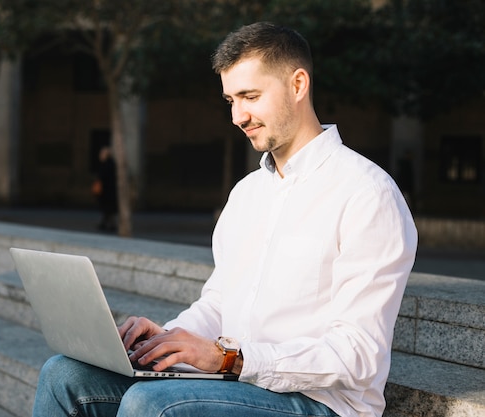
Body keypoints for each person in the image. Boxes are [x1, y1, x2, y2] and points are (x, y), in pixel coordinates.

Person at [32, 22, 417, 417]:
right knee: (65, 375)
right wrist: (163, 339)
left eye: (250, 96)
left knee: (149, 404)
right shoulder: (246, 194)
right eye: (231, 100)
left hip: (321, 403)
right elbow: (219, 304)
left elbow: (358, 354)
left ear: (298, 85)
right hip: (235, 384)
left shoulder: (367, 193)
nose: (238, 116)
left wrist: (229, 358)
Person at [94, 145, 118, 232]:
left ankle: (107, 224)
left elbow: (102, 178)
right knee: (108, 210)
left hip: (107, 192)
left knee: (107, 209)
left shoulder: (106, 165)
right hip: (110, 192)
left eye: (102, 154)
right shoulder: (112, 164)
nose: (100, 155)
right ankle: (107, 224)